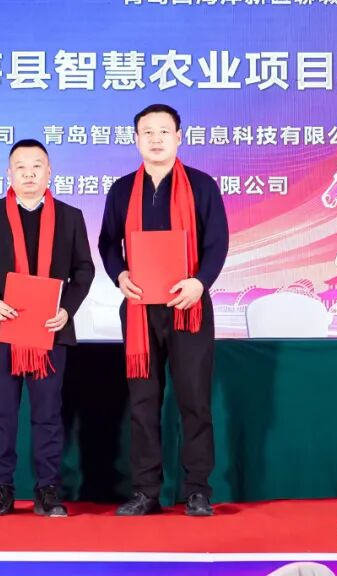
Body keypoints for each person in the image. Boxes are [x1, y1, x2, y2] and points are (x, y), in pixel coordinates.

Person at [98, 103, 229, 517]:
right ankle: (145, 491)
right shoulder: (122, 190)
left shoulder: (202, 185)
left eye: (163, 131)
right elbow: (107, 243)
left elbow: (218, 243)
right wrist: (119, 275)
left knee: (194, 400)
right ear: (136, 139)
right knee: (143, 403)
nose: (155, 139)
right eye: (147, 132)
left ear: (178, 137)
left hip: (189, 307)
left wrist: (199, 283)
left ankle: (198, 490)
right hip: (140, 309)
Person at [0, 139, 94, 517]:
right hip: (2, 328)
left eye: (37, 166)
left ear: (49, 172)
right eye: (21, 167)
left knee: (48, 414)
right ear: (9, 173)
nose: (29, 173)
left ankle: (48, 489)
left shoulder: (70, 216)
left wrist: (67, 309)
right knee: (1, 413)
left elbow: (84, 269)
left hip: (51, 328)